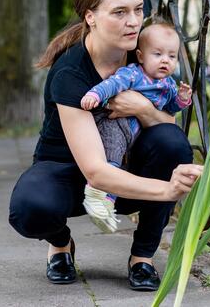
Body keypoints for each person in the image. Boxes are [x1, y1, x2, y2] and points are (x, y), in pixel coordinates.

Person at [8, 0, 203, 291]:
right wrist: (168, 191)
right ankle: (60, 244)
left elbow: (170, 129)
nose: (133, 21)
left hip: (129, 164)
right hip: (70, 172)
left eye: (139, 9)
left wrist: (141, 108)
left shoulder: (145, 57)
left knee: (172, 144)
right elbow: (96, 172)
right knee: (30, 207)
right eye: (120, 12)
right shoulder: (71, 72)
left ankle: (142, 257)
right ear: (91, 17)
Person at [79, 20, 192, 232]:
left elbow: (170, 110)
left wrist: (182, 99)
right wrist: (96, 94)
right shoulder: (133, 74)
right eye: (157, 54)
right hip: (116, 123)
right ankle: (100, 197)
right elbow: (112, 84)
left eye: (171, 56)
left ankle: (106, 201)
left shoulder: (168, 85)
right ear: (141, 56)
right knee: (113, 154)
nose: (165, 61)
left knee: (121, 156)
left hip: (136, 136)